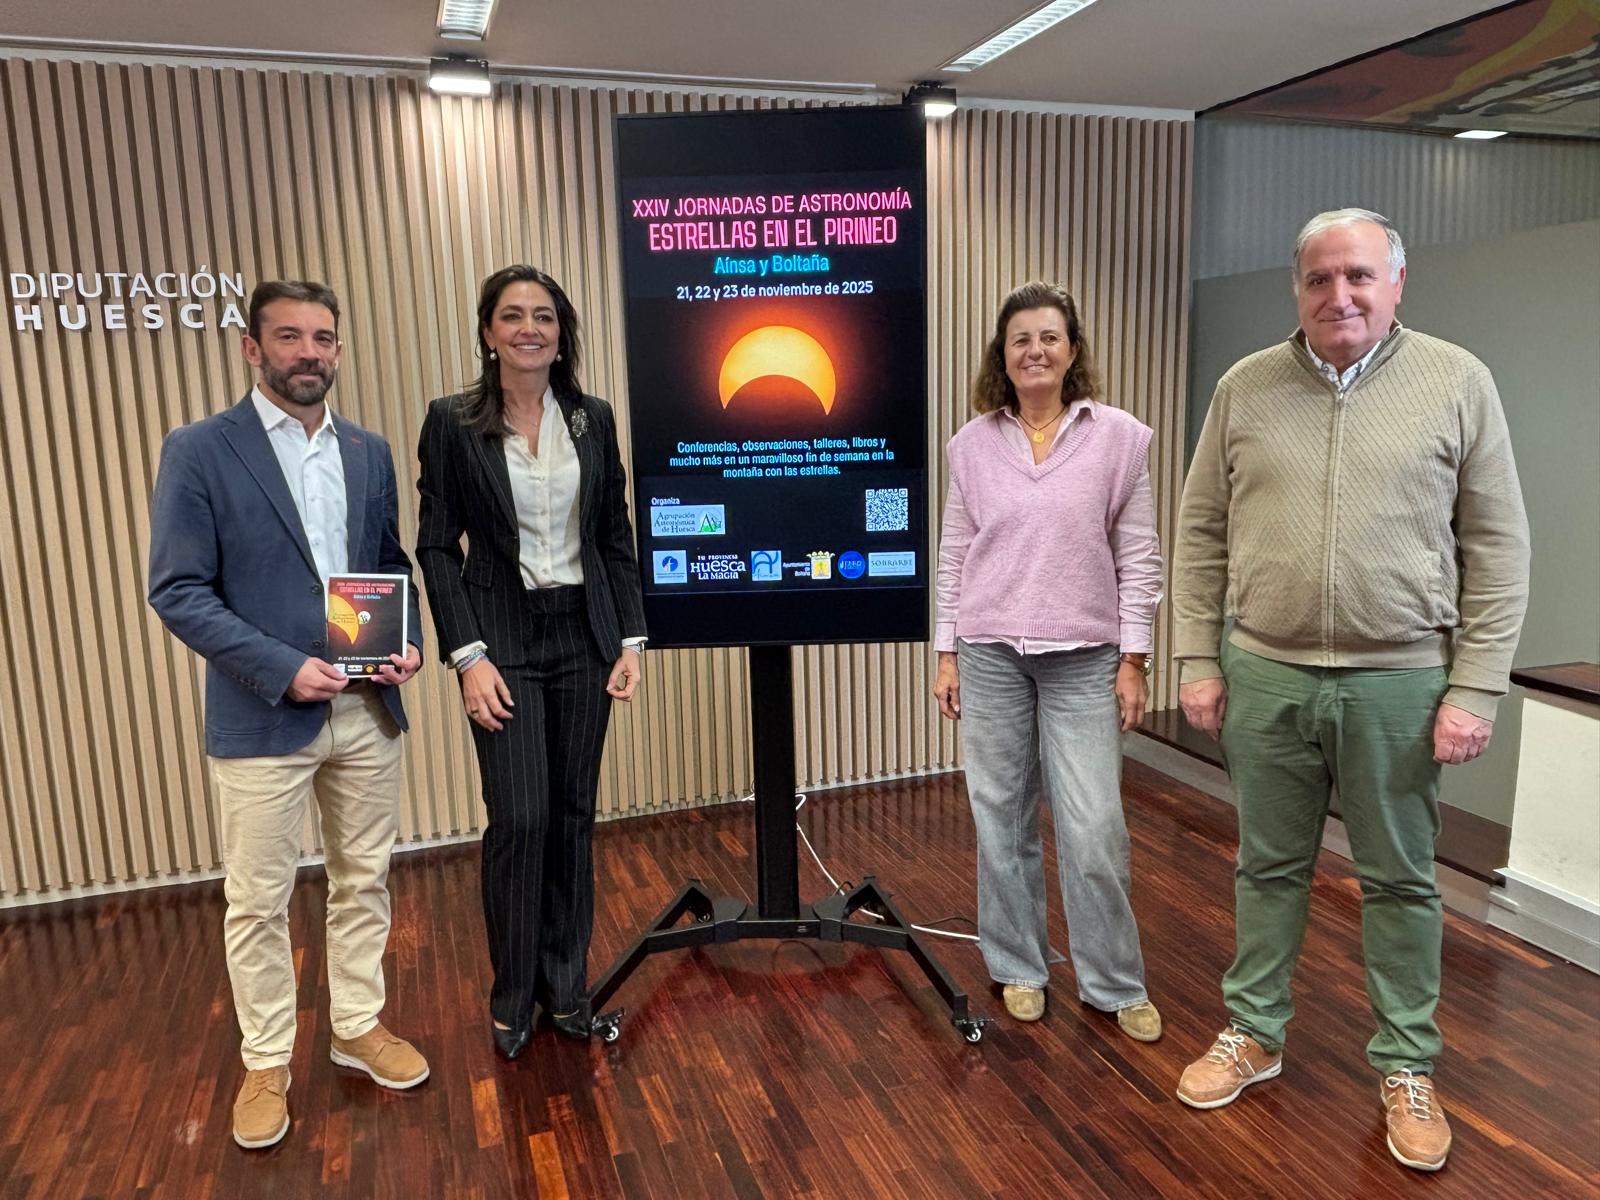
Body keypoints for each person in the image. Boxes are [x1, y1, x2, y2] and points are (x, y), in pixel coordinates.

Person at [1171, 208, 1530, 1173]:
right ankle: (1255, 1031)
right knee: (1266, 867)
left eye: (1360, 276)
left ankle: (1408, 1065)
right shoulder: (1245, 387)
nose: (1341, 295)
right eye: (1321, 278)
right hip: (1267, 672)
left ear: (1396, 282)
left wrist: (1476, 688)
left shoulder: (1457, 382)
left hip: (1401, 681)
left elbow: (1498, 548)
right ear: (1297, 289)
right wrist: (1198, 659)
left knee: (1401, 879)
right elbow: (1200, 532)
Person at [148, 280, 429, 1151]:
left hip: (367, 709)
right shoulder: (200, 449)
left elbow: (390, 567)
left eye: (324, 338)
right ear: (252, 348)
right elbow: (178, 590)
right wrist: (281, 668)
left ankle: (357, 1026)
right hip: (263, 715)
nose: (310, 353)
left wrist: (407, 640)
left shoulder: (369, 451)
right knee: (258, 900)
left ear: (338, 349)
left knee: (364, 879)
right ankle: (266, 1061)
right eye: (290, 337)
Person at [416, 265, 647, 1060]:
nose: (529, 329)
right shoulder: (453, 422)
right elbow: (436, 548)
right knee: (520, 819)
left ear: (561, 333)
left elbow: (612, 533)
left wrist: (630, 638)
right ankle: (513, 996)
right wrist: (467, 655)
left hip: (583, 635)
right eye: (512, 316)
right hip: (501, 640)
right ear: (488, 333)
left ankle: (567, 989)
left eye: (543, 316)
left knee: (573, 816)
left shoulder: (591, 418)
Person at [932, 281, 1164, 1042]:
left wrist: (1134, 658)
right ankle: (1018, 967)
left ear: (1072, 351)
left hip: (1087, 656)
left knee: (1094, 827)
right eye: (1021, 339)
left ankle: (1114, 981)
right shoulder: (971, 445)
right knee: (1000, 817)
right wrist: (946, 651)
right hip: (990, 650)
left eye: (1049, 337)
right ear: (1002, 355)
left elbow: (1139, 557)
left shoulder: (1120, 438)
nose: (1035, 351)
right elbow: (955, 553)